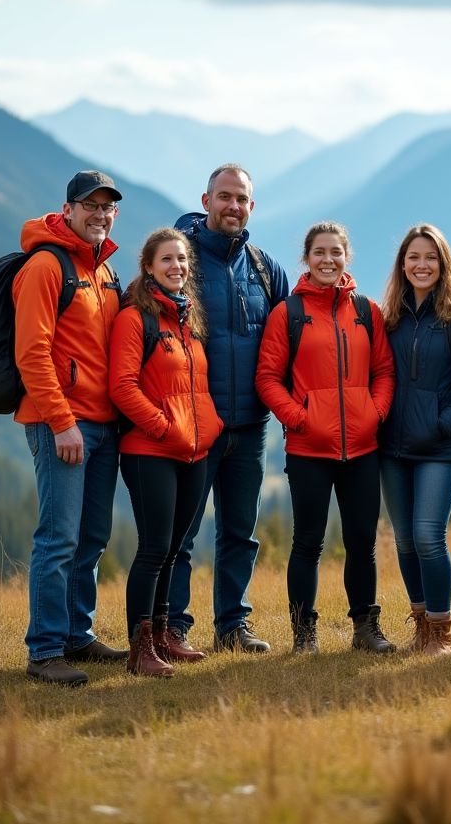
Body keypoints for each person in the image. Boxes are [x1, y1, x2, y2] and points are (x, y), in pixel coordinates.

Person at [255, 222, 396, 654]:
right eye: (320, 252)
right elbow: (267, 378)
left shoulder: (367, 311)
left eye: (336, 252)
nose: (328, 260)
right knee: (307, 542)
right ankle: (304, 634)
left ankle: (365, 628)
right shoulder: (289, 312)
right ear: (306, 258)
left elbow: (384, 372)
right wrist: (298, 418)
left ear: (346, 256)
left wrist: (374, 414)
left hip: (363, 448)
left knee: (361, 541)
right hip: (308, 449)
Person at [167, 164, 289, 654]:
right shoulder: (179, 261)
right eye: (224, 197)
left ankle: (232, 626)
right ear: (206, 199)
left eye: (241, 198)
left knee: (241, 532)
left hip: (251, 425)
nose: (232, 206)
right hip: (195, 424)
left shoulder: (264, 268)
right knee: (182, 534)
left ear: (251, 206)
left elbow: (292, 334)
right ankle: (171, 626)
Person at [14, 170, 126, 686]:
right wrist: (61, 422)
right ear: (68, 208)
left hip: (103, 426)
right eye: (91, 206)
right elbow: (31, 353)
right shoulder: (46, 265)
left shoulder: (103, 271)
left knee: (91, 538)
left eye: (108, 208)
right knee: (58, 538)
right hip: (63, 423)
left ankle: (78, 635)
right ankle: (45, 651)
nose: (100, 215)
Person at [109, 228, 224, 676]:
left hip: (194, 452)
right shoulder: (135, 319)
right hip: (150, 451)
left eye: (182, 260)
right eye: (167, 261)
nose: (177, 267)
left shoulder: (188, 320)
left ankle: (161, 638)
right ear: (149, 267)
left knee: (174, 549)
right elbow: (122, 386)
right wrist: (161, 426)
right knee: (154, 549)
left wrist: (205, 429)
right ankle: (140, 653)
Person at [378, 224, 451, 656]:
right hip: (393, 445)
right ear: (402, 264)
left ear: (443, 264)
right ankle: (421, 627)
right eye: (413, 257)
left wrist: (443, 424)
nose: (421, 265)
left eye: (430, 257)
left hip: (443, 445)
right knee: (404, 540)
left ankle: (441, 633)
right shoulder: (389, 317)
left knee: (428, 535)